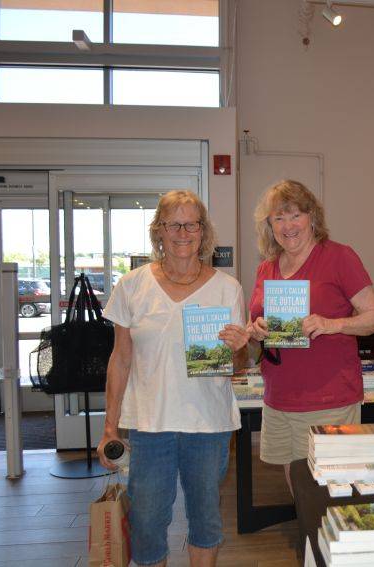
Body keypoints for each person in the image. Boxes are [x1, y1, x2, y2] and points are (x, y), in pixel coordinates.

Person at [97, 190, 250, 567]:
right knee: (147, 522)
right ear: (159, 231)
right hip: (150, 425)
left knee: (205, 518)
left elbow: (238, 365)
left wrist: (240, 347)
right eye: (174, 224)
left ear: (203, 231)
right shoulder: (131, 286)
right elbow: (120, 360)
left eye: (192, 224)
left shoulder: (227, 288)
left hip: (208, 424)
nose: (183, 232)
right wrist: (109, 427)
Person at [247, 180, 374, 493]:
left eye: (295, 215)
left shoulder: (338, 257)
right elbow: (257, 328)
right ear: (269, 225)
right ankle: (310, 540)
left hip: (328, 397)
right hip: (279, 396)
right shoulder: (266, 268)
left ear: (312, 217)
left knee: (332, 488)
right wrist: (255, 331)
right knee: (297, 484)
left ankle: (330, 542)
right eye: (278, 218)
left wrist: (331, 324)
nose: (288, 226)